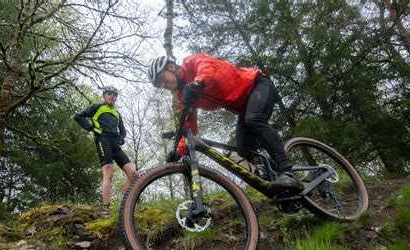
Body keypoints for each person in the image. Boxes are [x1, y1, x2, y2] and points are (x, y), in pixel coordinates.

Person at [148, 53, 302, 190]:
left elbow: (206, 67)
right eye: (159, 86)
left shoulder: (191, 62)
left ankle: (287, 172)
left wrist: (197, 83)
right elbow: (189, 128)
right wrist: (177, 151)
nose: (163, 85)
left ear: (171, 67)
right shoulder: (183, 97)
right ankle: (277, 176)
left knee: (254, 119)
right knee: (245, 149)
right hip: (244, 108)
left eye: (161, 79)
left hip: (257, 84)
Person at [74, 86, 138, 207]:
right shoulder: (97, 107)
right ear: (104, 96)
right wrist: (91, 128)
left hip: (115, 143)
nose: (112, 96)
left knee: (133, 173)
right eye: (109, 94)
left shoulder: (116, 113)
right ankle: (106, 206)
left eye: (114, 95)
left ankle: (123, 206)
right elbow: (78, 116)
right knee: (108, 173)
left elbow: (123, 130)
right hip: (103, 140)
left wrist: (121, 139)